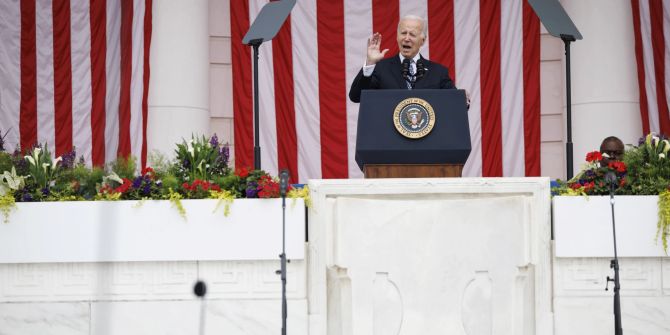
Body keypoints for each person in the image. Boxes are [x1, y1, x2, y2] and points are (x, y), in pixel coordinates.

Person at [348, 15, 460, 103]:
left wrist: (464, 99)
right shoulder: (380, 69)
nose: (406, 38)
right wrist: (370, 62)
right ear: (397, 36)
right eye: (403, 33)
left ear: (423, 40)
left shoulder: (438, 72)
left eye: (412, 34)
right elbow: (356, 96)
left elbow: (455, 101)